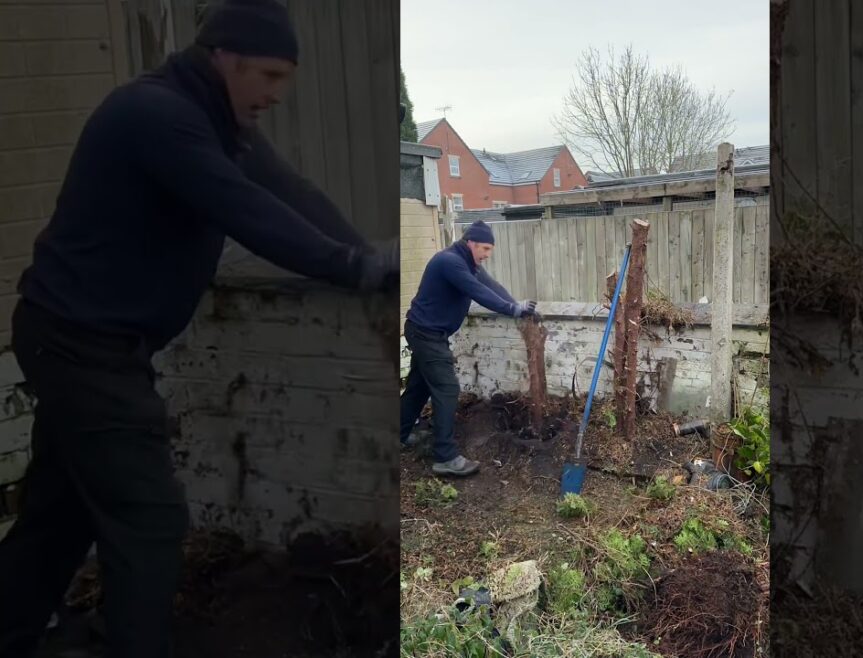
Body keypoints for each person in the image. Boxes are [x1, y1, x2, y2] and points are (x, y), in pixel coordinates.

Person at [0, 1, 398, 656]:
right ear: (222, 57)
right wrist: (350, 266)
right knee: (150, 521)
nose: (276, 94)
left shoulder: (215, 120)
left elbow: (289, 191)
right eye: (267, 76)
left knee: (61, 513)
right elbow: (246, 210)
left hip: (92, 344)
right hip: (79, 346)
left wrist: (367, 260)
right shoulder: (158, 117)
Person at [400, 221, 538, 477]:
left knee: (419, 387)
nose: (487, 254)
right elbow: (477, 292)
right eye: (485, 248)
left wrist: (517, 306)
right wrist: (511, 309)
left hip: (428, 332)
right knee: (447, 388)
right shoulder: (449, 262)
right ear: (470, 242)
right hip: (426, 333)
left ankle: (400, 433)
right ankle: (445, 456)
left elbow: (492, 287)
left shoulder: (468, 264)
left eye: (490, 250)